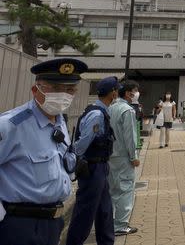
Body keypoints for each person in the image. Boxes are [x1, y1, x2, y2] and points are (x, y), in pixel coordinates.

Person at [0, 58, 85, 245]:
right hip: (18, 226)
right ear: (35, 90)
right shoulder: (11, 125)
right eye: (55, 88)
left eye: (70, 90)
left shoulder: (60, 122)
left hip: (53, 223)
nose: (63, 95)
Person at [66, 76, 118, 245]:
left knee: (105, 210)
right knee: (86, 211)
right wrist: (75, 159)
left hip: (100, 166)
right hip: (92, 167)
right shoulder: (96, 114)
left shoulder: (100, 111)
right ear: (113, 93)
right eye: (116, 90)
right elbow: (83, 143)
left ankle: (106, 241)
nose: (117, 92)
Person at [108, 79, 141, 236]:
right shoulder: (127, 110)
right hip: (123, 156)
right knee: (125, 189)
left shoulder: (111, 108)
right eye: (134, 91)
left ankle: (109, 222)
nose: (136, 94)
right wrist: (134, 156)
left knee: (112, 190)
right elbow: (130, 136)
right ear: (128, 93)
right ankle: (120, 225)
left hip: (110, 155)